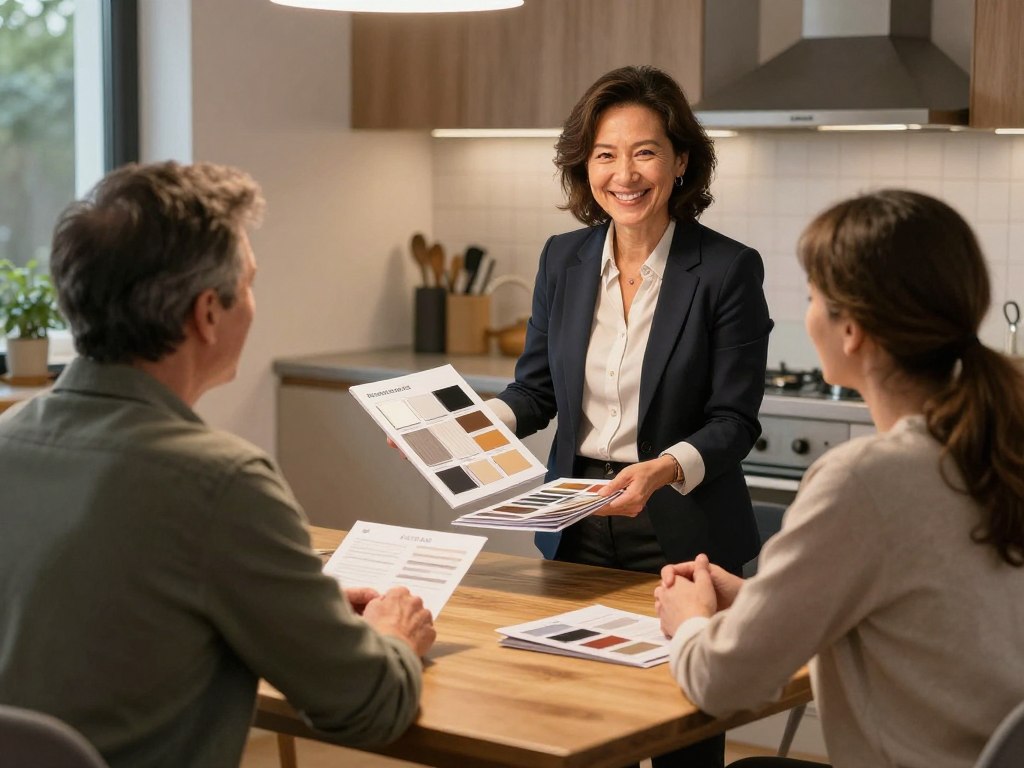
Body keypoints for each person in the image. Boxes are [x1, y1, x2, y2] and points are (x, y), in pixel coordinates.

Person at [0, 161, 436, 768]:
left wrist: (291, 602)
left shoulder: (8, 440)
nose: (253, 304)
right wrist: (395, 633)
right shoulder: (221, 483)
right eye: (249, 284)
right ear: (208, 314)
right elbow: (369, 705)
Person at [656, 190, 1024, 768]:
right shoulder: (995, 442)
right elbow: (929, 617)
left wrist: (689, 622)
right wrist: (757, 603)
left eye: (811, 298)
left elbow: (721, 683)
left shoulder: (865, 479)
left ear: (850, 329)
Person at [488, 64, 772, 767]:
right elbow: (535, 392)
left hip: (682, 527)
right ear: (583, 166)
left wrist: (663, 469)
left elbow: (734, 421)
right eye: (605, 155)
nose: (625, 174)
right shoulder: (563, 259)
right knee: (577, 722)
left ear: (681, 161)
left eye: (645, 152)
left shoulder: (727, 269)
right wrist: (469, 428)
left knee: (683, 736)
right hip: (577, 520)